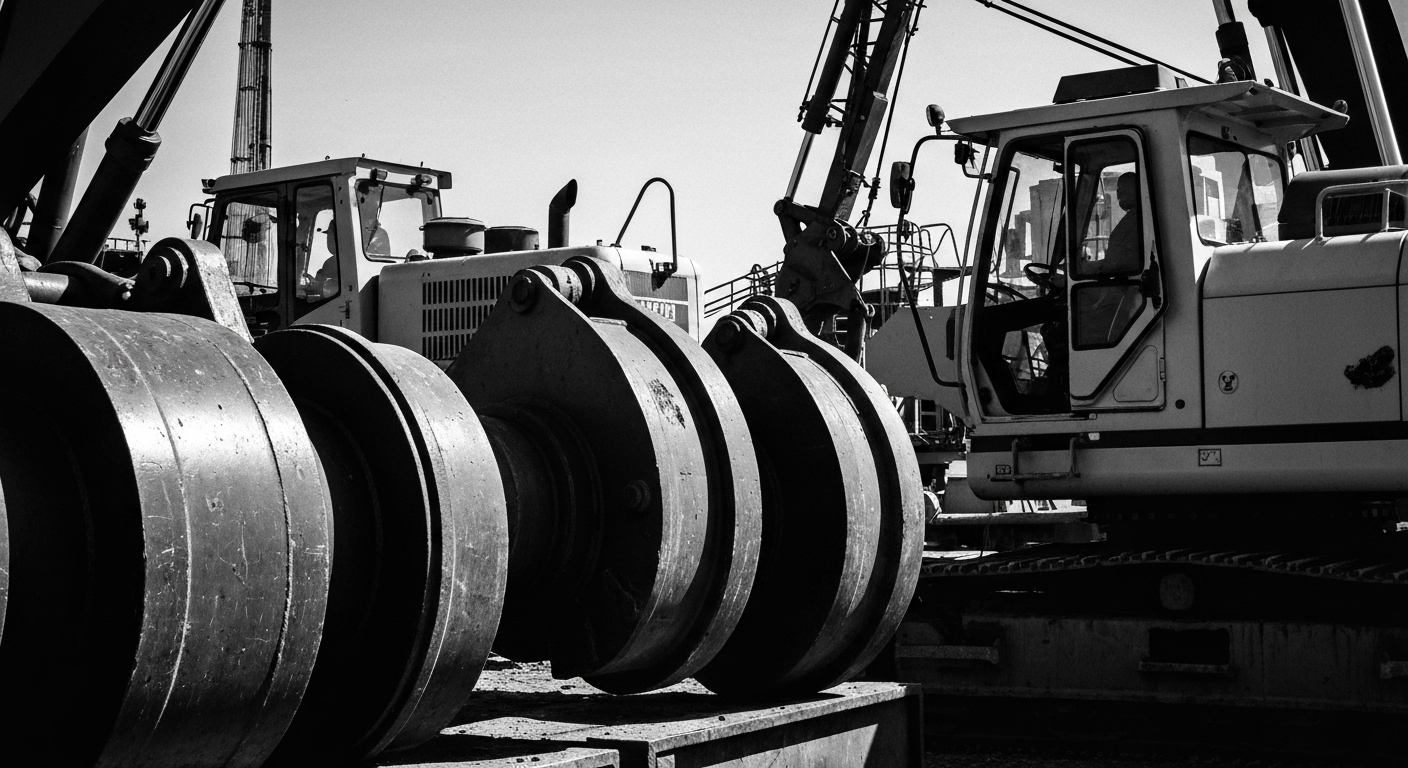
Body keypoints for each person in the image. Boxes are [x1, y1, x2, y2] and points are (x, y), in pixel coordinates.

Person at [1097, 172, 1142, 274]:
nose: (1118, 193)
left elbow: (1118, 261)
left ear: (1137, 189)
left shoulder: (1136, 219)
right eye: (1118, 189)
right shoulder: (1134, 216)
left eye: (1123, 188)